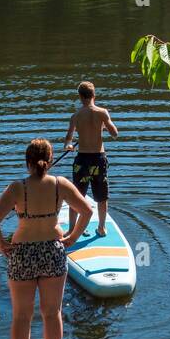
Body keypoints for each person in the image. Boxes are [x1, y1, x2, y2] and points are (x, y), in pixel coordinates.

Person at [0, 139, 92, 339]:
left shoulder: (17, 188)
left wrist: (1, 244)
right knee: (52, 312)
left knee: (21, 316)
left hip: (22, 252)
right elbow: (86, 211)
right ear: (50, 158)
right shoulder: (60, 185)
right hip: (52, 251)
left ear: (27, 163)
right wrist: (73, 237)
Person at [64, 80, 118, 237]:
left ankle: (72, 229)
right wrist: (103, 127)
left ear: (80, 97)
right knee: (101, 197)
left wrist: (69, 146)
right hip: (98, 160)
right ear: (94, 95)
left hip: (82, 160)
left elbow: (68, 139)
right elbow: (115, 134)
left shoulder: (76, 116)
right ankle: (101, 228)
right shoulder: (102, 113)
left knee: (77, 196)